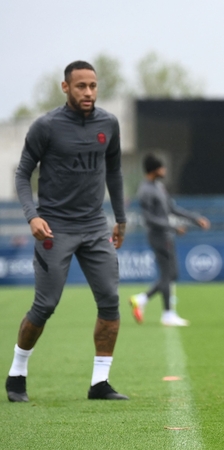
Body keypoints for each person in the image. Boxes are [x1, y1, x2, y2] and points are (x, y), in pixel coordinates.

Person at [6, 60, 128, 402]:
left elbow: (115, 173)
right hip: (54, 228)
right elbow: (21, 174)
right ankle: (17, 375)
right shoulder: (46, 126)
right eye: (80, 86)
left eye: (92, 85)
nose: (88, 92)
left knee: (110, 303)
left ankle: (99, 384)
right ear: (65, 88)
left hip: (94, 226)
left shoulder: (109, 123)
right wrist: (32, 216)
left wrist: (120, 218)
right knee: (45, 305)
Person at [129, 154, 210, 327]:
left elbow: (172, 209)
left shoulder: (159, 187)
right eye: (162, 167)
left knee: (172, 274)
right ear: (155, 170)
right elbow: (149, 219)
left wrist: (195, 219)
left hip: (165, 235)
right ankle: (167, 314)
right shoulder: (145, 191)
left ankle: (142, 299)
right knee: (168, 274)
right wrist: (172, 227)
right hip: (158, 236)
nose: (165, 170)